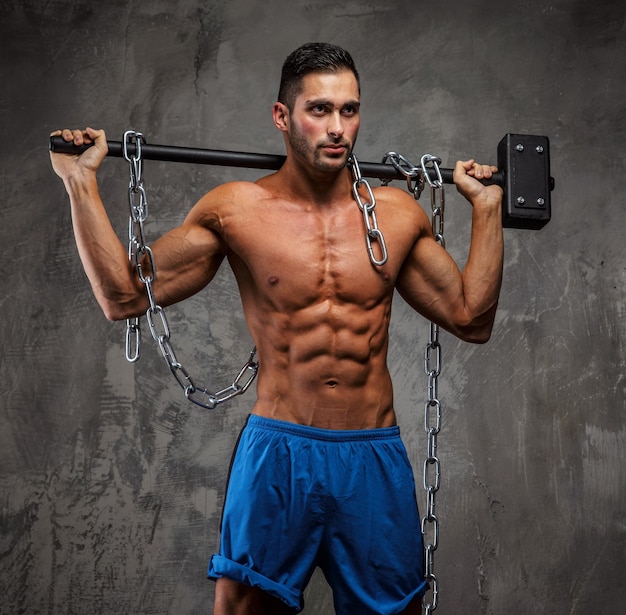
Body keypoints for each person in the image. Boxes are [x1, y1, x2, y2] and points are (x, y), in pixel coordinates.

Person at [50, 42, 503, 615]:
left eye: (349, 110)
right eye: (319, 110)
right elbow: (123, 296)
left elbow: (472, 318)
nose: (338, 128)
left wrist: (486, 209)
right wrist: (79, 182)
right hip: (280, 453)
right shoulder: (238, 210)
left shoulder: (394, 214)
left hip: (372, 454)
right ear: (281, 116)